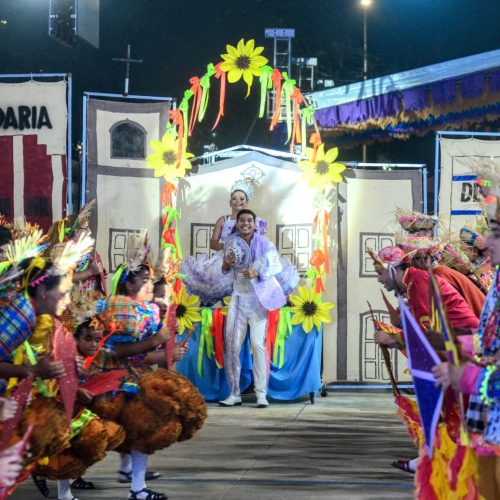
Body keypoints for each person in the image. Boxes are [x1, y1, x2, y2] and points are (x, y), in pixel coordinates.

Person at [219, 209, 286, 408]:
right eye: (242, 220)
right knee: (232, 345)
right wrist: (225, 263)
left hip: (258, 300)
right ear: (237, 223)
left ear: (255, 224)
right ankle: (234, 393)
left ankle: (261, 394)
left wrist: (258, 272)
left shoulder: (265, 244)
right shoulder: (231, 244)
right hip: (238, 299)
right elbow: (223, 272)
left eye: (249, 221)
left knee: (258, 345)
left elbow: (277, 266)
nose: (246, 224)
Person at [181, 179, 266, 305]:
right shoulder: (223, 220)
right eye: (234, 198)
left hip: (246, 262)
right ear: (230, 202)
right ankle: (211, 320)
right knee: (214, 293)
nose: (238, 202)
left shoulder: (255, 221)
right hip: (225, 259)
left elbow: (259, 244)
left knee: (243, 298)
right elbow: (213, 243)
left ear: (247, 202)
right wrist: (228, 246)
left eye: (242, 199)